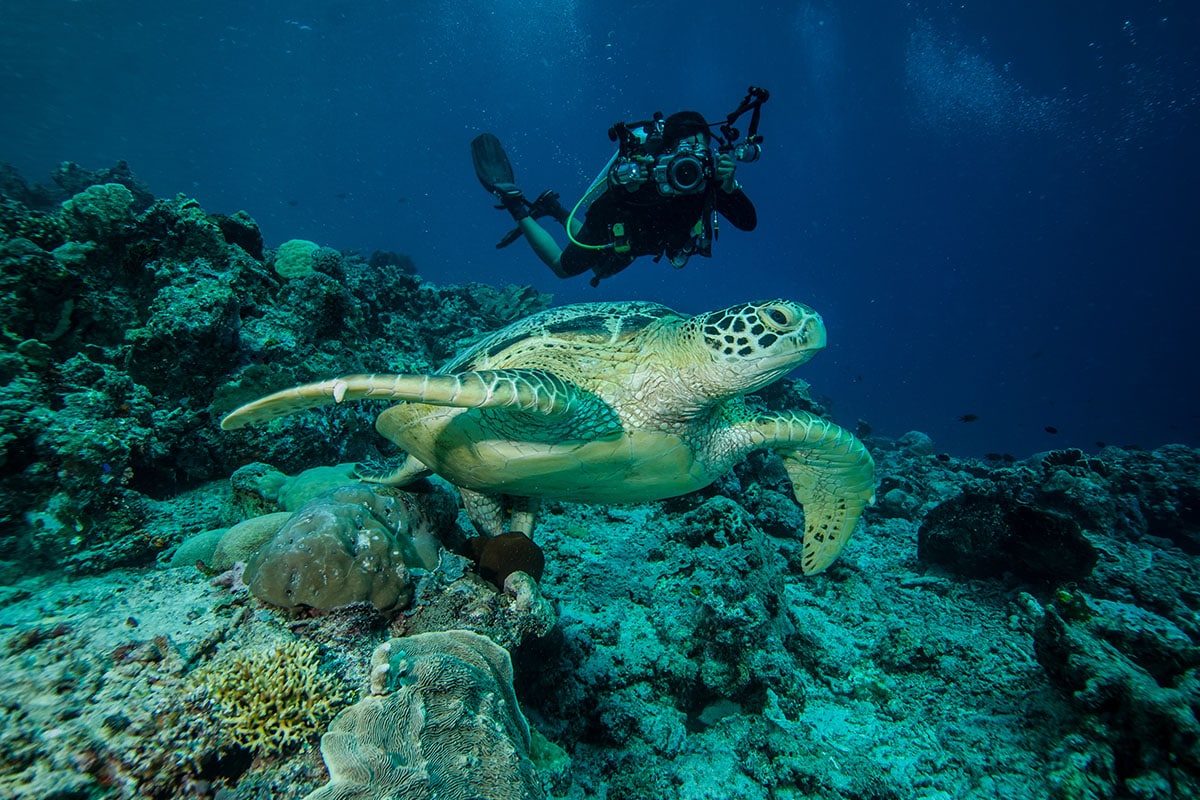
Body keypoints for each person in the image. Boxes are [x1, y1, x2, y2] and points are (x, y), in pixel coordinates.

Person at [473, 110, 758, 286]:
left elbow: (748, 223)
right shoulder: (646, 167)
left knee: (600, 268)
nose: (688, 166)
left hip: (640, 246)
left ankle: (554, 208)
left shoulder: (711, 180)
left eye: (700, 154)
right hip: (619, 232)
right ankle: (514, 203)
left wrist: (729, 186)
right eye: (680, 154)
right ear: (665, 150)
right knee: (562, 268)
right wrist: (631, 185)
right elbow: (606, 205)